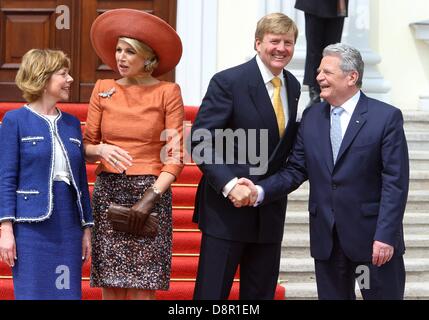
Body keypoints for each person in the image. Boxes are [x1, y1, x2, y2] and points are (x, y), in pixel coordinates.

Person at [238, 43, 409, 300]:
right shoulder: (312, 117)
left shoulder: (385, 117)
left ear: (351, 77)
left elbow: (395, 183)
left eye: (327, 72)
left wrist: (385, 236)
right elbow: (296, 169)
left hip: (372, 245)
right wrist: (260, 190)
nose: (318, 77)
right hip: (328, 243)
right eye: (318, 71)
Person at [190, 13, 301, 300]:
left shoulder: (293, 86)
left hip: (269, 211)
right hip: (226, 211)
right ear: (257, 43)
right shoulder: (229, 81)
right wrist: (230, 186)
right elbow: (201, 141)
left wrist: (264, 191)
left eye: (288, 43)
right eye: (274, 41)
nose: (281, 48)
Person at [84, 9, 184, 300]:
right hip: (109, 193)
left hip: (151, 192)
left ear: (147, 57)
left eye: (130, 51)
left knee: (142, 287)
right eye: (118, 50)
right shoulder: (103, 89)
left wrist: (150, 199)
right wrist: (99, 149)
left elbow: (175, 156)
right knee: (111, 285)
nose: (121, 57)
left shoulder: (167, 92)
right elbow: (87, 146)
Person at [0, 49, 93, 300]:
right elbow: (6, 178)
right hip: (30, 228)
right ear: (42, 79)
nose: (70, 79)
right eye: (63, 74)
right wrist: (5, 229)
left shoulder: (72, 123)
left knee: (66, 293)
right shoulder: (15, 120)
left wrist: (87, 227)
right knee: (33, 293)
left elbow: (81, 181)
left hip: (68, 225)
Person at [295, 0, 349, 107]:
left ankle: (330, 90)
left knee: (333, 52)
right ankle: (314, 93)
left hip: (337, 5)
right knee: (313, 50)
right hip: (314, 4)